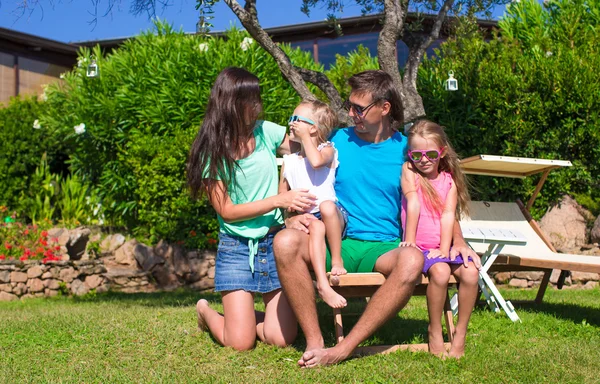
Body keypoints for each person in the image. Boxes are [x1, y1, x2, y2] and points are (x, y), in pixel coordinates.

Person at [273, 70, 481, 367]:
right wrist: (290, 216)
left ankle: (345, 347)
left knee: (410, 259)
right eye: (350, 106)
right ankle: (315, 342)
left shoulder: (406, 151)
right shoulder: (335, 142)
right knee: (284, 241)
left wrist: (458, 239)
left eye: (359, 108)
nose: (351, 114)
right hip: (337, 243)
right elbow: (301, 180)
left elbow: (437, 199)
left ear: (384, 108)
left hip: (384, 246)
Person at [187, 67, 316, 351]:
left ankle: (243, 318)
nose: (258, 105)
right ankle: (207, 312)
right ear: (231, 103)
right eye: (251, 99)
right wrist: (278, 201)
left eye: (258, 97)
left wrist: (311, 130)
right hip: (235, 247)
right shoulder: (213, 151)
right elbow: (227, 211)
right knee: (240, 343)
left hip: (274, 242)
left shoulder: (266, 131)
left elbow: (303, 152)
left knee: (281, 338)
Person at [400, 119, 479, 358]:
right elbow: (412, 204)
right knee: (442, 272)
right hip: (419, 246)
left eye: (431, 153)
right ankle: (435, 329)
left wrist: (445, 249)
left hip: (440, 247)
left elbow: (447, 215)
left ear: (442, 152)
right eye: (416, 154)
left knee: (471, 271)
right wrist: (410, 241)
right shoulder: (409, 171)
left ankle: (460, 333)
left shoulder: (448, 181)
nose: (423, 159)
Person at [280, 100, 348, 309]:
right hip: (308, 219)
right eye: (291, 119)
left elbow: (317, 162)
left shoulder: (327, 149)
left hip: (333, 216)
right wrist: (290, 213)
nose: (291, 124)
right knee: (316, 226)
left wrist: (307, 139)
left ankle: (337, 260)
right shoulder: (289, 160)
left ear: (313, 128)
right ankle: (322, 284)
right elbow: (282, 194)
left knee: (327, 206)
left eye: (297, 120)